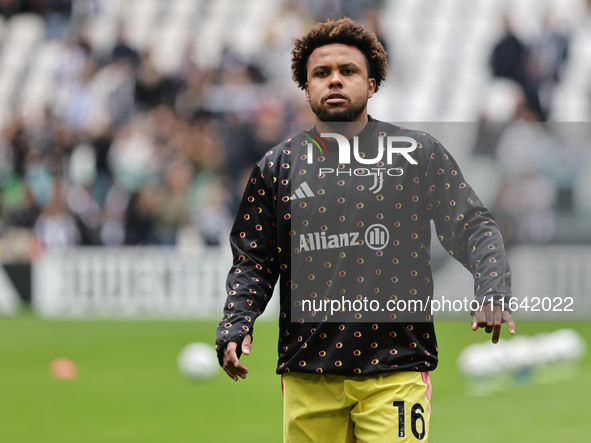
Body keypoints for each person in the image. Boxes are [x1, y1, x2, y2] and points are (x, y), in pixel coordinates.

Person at [215, 18, 515, 442]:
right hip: (308, 371)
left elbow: (472, 225)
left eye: (348, 71)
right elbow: (254, 260)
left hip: (396, 367)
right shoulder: (277, 167)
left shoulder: (416, 155)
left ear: (372, 85)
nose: (334, 80)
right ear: (306, 88)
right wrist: (236, 322)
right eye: (321, 73)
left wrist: (492, 286)